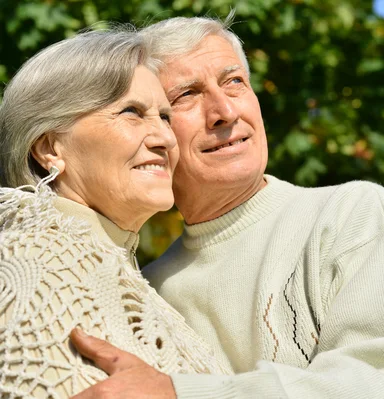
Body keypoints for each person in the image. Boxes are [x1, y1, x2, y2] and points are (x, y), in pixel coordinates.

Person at [70, 15, 384, 398]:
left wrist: (180, 393)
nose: (225, 112)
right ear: (155, 131)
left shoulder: (353, 215)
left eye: (234, 83)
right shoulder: (146, 289)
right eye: (187, 95)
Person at [0, 31, 228, 398]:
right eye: (131, 112)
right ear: (48, 148)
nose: (166, 139)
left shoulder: (118, 270)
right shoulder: (33, 264)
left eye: (165, 117)